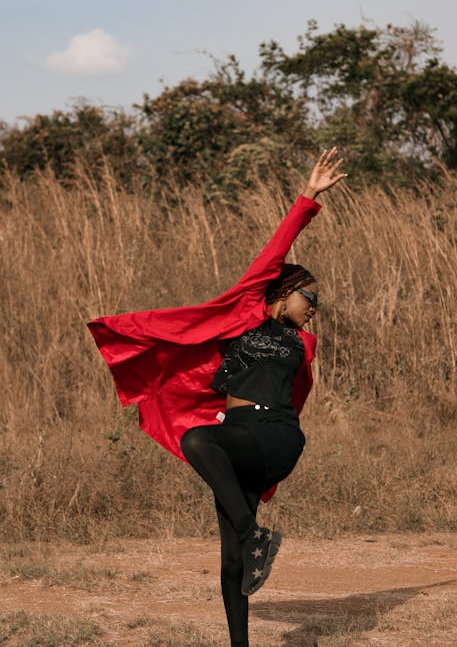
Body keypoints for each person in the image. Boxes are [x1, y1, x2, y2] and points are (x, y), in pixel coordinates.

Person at [87, 147, 346, 646]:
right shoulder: (245, 313)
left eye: (316, 302)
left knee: (198, 441)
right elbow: (273, 251)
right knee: (231, 559)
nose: (314, 307)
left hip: (275, 434)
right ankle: (241, 631)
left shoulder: (303, 342)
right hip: (238, 437)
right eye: (309, 297)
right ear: (282, 292)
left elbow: (293, 396)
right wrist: (307, 196)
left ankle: (256, 534)